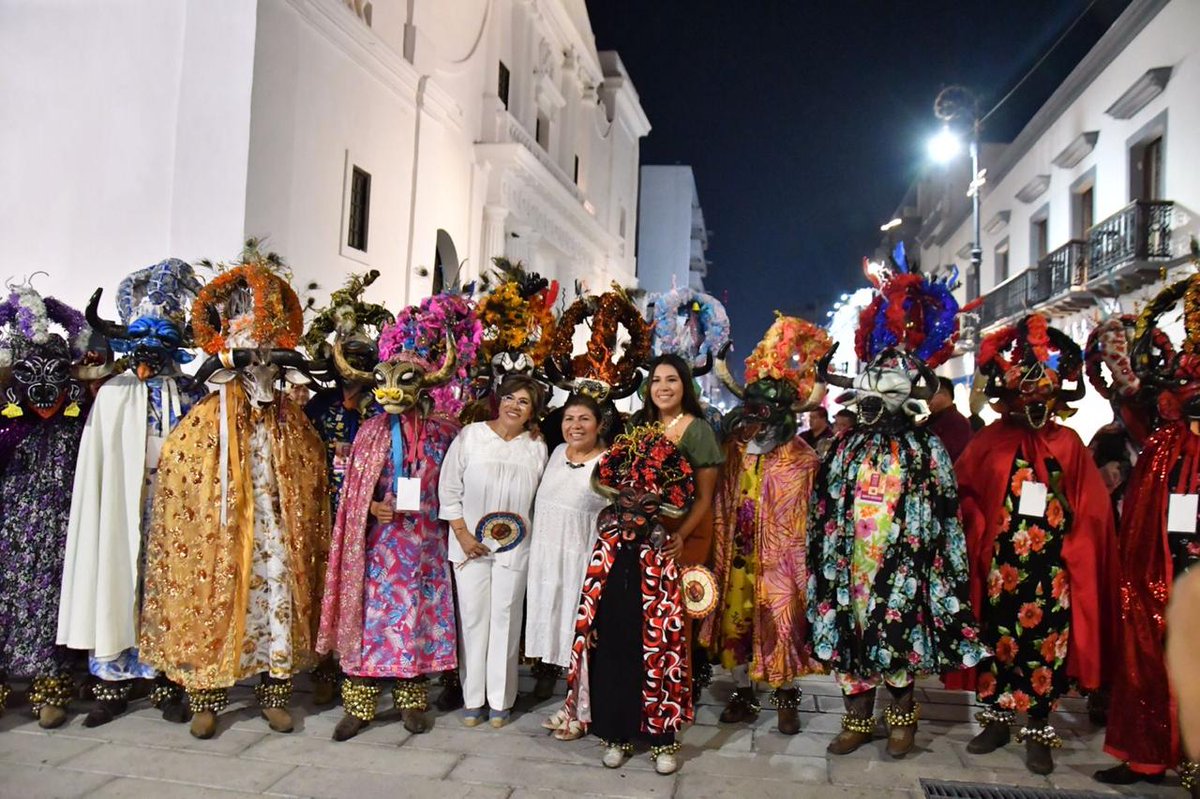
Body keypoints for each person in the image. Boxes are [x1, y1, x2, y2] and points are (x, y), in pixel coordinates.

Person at [138, 248, 330, 740]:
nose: (262, 376)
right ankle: (207, 694)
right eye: (251, 363)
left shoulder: (294, 425)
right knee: (216, 592)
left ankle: (274, 692)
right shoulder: (204, 424)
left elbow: (310, 484)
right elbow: (182, 485)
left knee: (277, 593)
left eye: (271, 365)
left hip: (274, 534)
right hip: (223, 531)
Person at [809, 257, 987, 759]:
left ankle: (903, 721)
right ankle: (856, 721)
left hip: (904, 562)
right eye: (871, 388)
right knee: (849, 634)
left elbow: (945, 512)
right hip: (850, 563)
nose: (875, 398)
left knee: (898, 637)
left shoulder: (924, 447)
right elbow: (825, 505)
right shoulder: (846, 447)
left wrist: (936, 564)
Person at [951, 315, 1117, 776]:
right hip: (1000, 564)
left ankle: (1039, 726)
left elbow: (1094, 510)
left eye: (1043, 394)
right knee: (995, 639)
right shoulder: (990, 441)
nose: (1035, 403)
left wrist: (1076, 550)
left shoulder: (1068, 444)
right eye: (1026, 393)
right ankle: (997, 719)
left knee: (1047, 646)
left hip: (1054, 567)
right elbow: (963, 491)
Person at [58, 260, 205, 728]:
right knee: (116, 576)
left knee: (170, 583)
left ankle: (165, 678)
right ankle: (112, 684)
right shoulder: (115, 393)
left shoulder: (188, 394)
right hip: (124, 501)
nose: (147, 358)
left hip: (173, 507)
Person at [316, 319, 460, 739]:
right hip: (381, 548)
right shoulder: (371, 432)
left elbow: (458, 483)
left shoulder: (443, 433)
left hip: (428, 545)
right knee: (372, 620)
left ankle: (412, 700)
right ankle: (359, 703)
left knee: (418, 619)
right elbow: (352, 493)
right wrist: (372, 506)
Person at [1092, 280, 1200, 795]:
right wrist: (1121, 336)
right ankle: (1148, 756)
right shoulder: (1164, 395)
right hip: (1159, 512)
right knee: (1146, 629)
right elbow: (1122, 369)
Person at [703, 315, 828, 734]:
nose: (761, 416)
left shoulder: (805, 458)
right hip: (736, 556)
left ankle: (786, 698)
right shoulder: (733, 449)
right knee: (734, 624)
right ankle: (741, 695)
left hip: (780, 563)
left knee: (781, 624)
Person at [560, 426, 696, 775]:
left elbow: (669, 595)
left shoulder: (660, 544)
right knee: (612, 663)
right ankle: (615, 737)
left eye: (646, 504)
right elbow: (593, 583)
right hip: (613, 610)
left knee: (660, 662)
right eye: (626, 500)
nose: (634, 512)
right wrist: (591, 621)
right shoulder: (607, 536)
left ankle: (663, 741)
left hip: (652, 613)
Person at [0, 287, 90, 728]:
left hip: (63, 521)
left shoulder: (81, 413)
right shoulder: (7, 417)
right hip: (11, 520)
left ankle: (51, 686)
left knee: (58, 593)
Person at [438, 374, 548, 728]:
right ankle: (473, 699)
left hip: (515, 549)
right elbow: (449, 489)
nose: (514, 406)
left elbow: (540, 501)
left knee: (505, 618)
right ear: (498, 400)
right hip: (470, 546)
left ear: (532, 412)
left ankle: (500, 700)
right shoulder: (470, 436)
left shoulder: (536, 447)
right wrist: (463, 535)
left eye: (523, 402)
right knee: (473, 619)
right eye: (509, 398)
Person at [630, 353, 724, 688]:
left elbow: (703, 498)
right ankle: (641, 689)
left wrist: (680, 536)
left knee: (675, 617)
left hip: (685, 535)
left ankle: (672, 694)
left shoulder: (698, 431)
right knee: (640, 613)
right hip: (642, 533)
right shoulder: (638, 426)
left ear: (685, 386)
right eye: (656, 380)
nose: (663, 387)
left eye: (671, 379)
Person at [526, 394, 610, 734]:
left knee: (581, 638)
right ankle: (571, 702)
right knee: (560, 634)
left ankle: (582, 711)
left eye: (584, 419)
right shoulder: (557, 452)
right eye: (569, 419)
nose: (575, 426)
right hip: (548, 561)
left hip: (582, 562)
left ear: (599, 424)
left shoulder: (608, 461)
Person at [926, 376, 972, 462]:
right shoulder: (935, 420)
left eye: (930, 396)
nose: (927, 401)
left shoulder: (956, 423)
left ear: (945, 394)